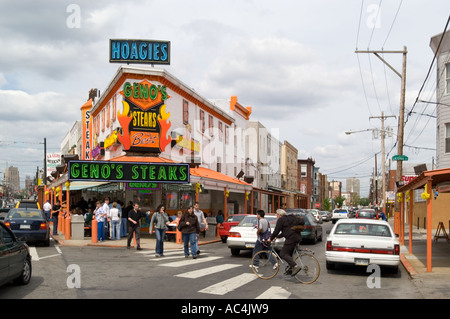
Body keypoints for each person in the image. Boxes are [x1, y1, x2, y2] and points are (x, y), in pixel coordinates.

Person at [267, 209, 305, 276]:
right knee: (288, 255)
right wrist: (277, 237)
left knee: (283, 254)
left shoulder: (281, 220)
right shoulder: (289, 218)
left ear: (279, 215)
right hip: (297, 237)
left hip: (291, 239)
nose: (276, 216)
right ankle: (290, 269)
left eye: (276, 214)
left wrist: (270, 239)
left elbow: (276, 231)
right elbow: (286, 231)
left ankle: (295, 266)